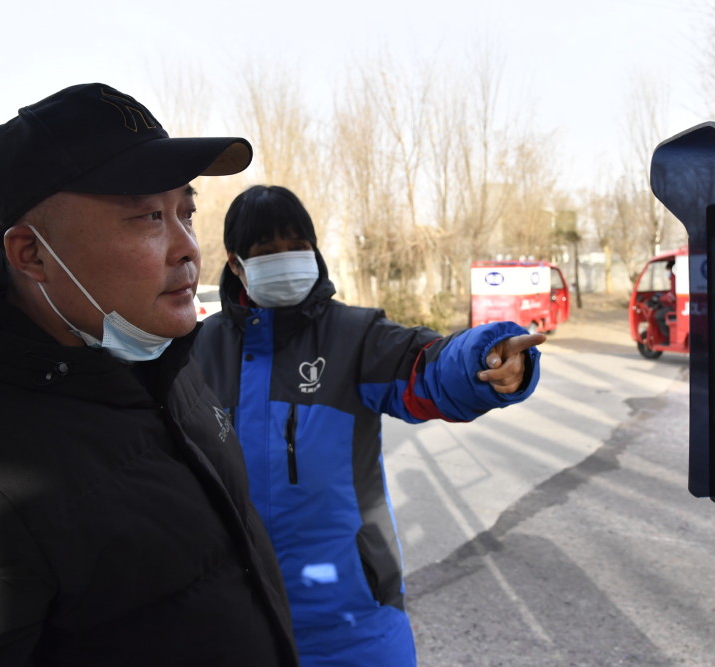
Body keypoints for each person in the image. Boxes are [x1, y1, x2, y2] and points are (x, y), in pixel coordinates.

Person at [0, 84, 299, 665]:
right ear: (31, 255)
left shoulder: (158, 359)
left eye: (186, 212)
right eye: (147, 218)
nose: (187, 248)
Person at [191, 185, 546, 666]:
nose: (287, 258)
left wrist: (487, 360)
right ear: (237, 265)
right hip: (235, 623)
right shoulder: (195, 351)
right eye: (267, 252)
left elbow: (428, 369)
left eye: (297, 246)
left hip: (354, 620)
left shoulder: (355, 338)